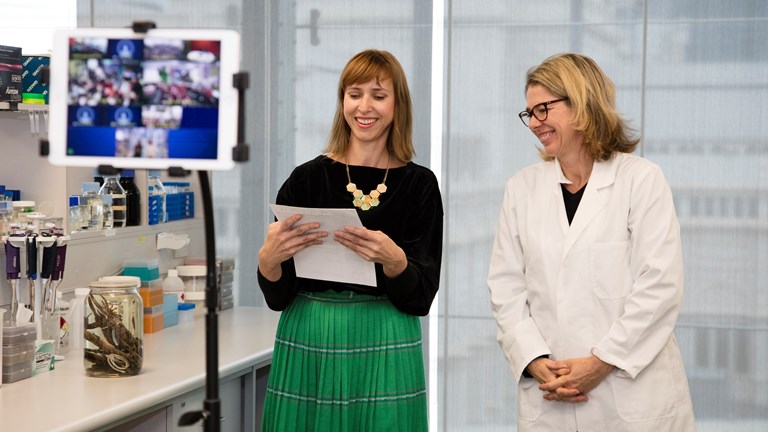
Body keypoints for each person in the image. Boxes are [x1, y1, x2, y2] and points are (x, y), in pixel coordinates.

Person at [486, 53, 696, 431]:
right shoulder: (522, 188)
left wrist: (601, 363)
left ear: (582, 102)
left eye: (544, 109)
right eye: (529, 113)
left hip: (630, 396)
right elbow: (505, 287)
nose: (534, 123)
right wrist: (534, 360)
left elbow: (659, 287)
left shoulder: (641, 180)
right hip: (549, 396)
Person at [257, 49, 443, 431]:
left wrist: (396, 262)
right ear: (342, 101)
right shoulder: (306, 178)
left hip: (386, 334)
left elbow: (421, 297)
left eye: (378, 95)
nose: (364, 106)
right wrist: (267, 262)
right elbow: (278, 297)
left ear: (398, 105)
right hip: (310, 330)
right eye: (354, 93)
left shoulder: (419, 185)